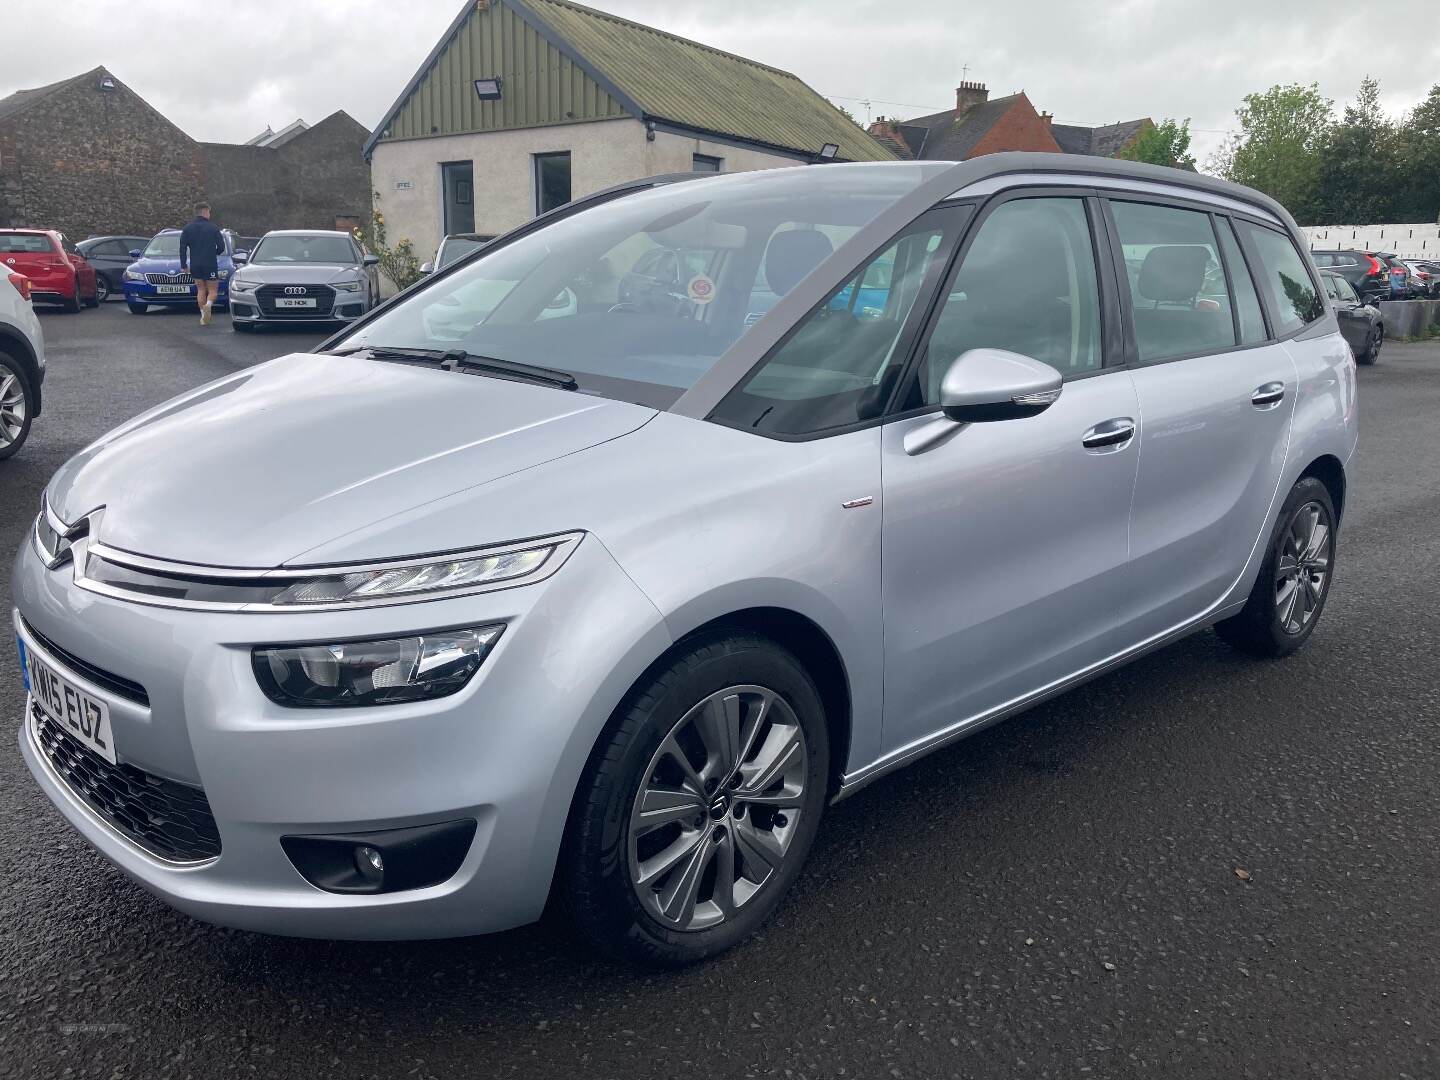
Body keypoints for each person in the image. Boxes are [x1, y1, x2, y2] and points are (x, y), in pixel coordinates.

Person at [179, 202, 226, 326]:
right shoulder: (213, 228)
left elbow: (182, 248)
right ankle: (208, 305)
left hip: (195, 264)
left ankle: (203, 316)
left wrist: (184, 265)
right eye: (209, 212)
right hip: (209, 263)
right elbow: (221, 246)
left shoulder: (188, 228)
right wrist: (214, 252)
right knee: (213, 290)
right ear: (205, 212)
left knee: (200, 289)